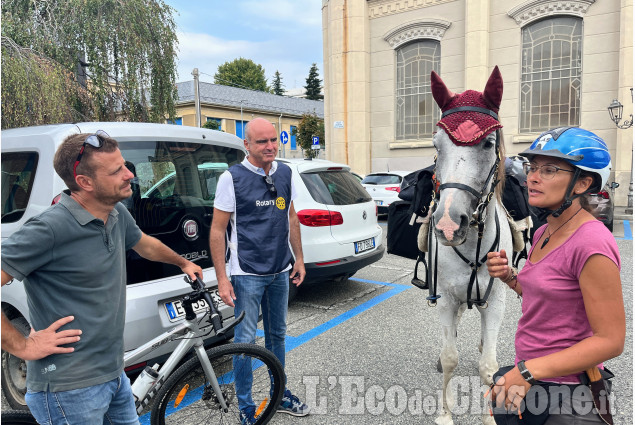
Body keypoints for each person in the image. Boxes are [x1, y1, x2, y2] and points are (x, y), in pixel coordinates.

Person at [1, 131, 202, 425]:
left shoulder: (116, 213)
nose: (130, 175)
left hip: (113, 374)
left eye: (125, 165)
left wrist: (183, 262)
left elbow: (143, 243)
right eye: (117, 170)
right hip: (70, 388)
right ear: (85, 182)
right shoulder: (49, 228)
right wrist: (22, 347)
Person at [486, 127, 625, 423]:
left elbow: (611, 340)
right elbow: (550, 296)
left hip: (568, 398)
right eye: (532, 167)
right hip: (534, 381)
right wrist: (510, 276)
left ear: (582, 183)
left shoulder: (591, 243)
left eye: (549, 169)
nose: (532, 178)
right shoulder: (543, 231)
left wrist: (525, 372)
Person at [209, 117, 310, 423]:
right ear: (247, 144)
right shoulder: (232, 178)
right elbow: (217, 230)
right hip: (246, 273)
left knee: (277, 337)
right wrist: (222, 278)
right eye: (262, 142)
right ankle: (245, 406)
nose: (269, 146)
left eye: (273, 140)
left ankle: (279, 394)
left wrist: (299, 259)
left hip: (280, 270)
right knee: (245, 344)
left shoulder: (286, 172)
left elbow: (291, 217)